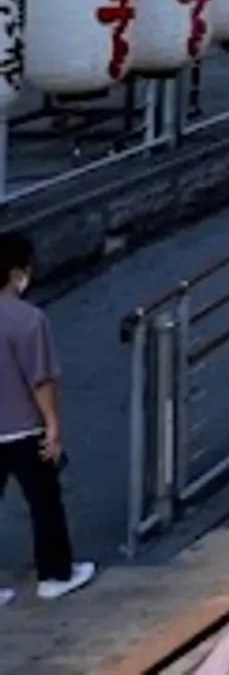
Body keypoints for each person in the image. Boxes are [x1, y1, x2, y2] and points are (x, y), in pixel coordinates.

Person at [0, 232, 86, 602]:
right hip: (23, 428)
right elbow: (41, 379)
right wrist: (52, 424)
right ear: (18, 273)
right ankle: (54, 574)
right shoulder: (29, 321)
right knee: (45, 502)